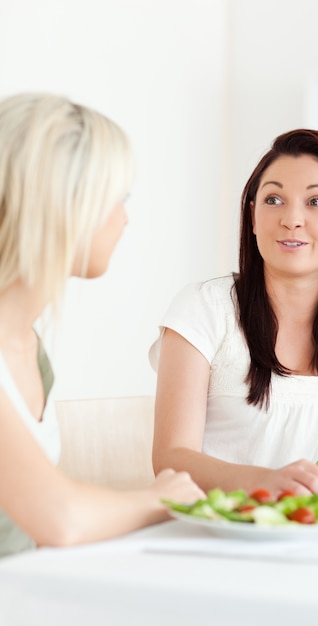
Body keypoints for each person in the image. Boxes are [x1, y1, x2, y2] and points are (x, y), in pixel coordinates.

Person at [149, 128, 318, 498]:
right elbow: (172, 457)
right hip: (213, 523)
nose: (292, 219)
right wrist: (264, 482)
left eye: (316, 202)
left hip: (311, 525)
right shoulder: (204, 308)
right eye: (273, 199)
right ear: (253, 217)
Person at [0, 92, 204, 558]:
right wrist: (160, 498)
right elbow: (59, 518)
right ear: (63, 206)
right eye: (117, 198)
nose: (125, 218)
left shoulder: (32, 351)